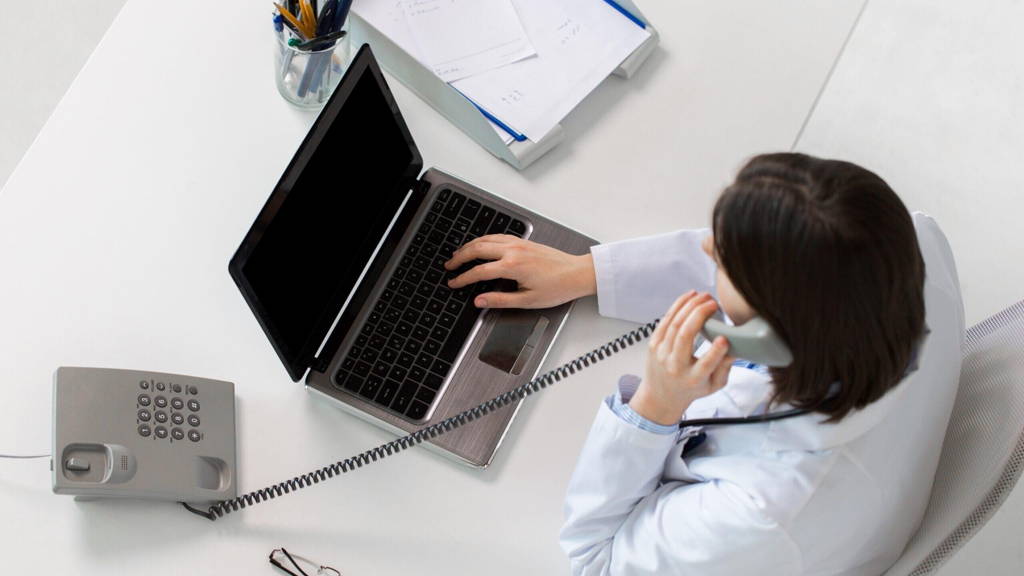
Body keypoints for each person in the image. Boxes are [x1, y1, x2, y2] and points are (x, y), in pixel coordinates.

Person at [443, 153, 965, 575]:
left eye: (721, 260)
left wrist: (655, 407)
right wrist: (588, 272)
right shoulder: (907, 247)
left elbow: (595, 560)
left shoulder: (763, 514)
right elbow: (783, 260)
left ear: (770, 332)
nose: (705, 245)